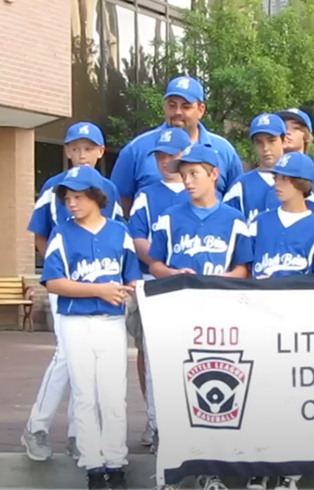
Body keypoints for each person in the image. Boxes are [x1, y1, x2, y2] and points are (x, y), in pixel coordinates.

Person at [148, 144, 254, 490]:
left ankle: (212, 469)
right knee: (176, 390)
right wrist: (176, 274)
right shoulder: (169, 216)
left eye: (194, 173)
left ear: (213, 174)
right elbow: (155, 264)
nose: (187, 180)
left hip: (219, 318)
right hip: (178, 315)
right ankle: (172, 469)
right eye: (183, 174)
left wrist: (219, 281)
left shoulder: (235, 220)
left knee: (216, 392)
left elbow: (243, 268)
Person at [23, 121, 122, 462]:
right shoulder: (54, 187)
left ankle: (79, 434)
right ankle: (37, 427)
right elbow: (40, 233)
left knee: (91, 359)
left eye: (87, 148)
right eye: (74, 147)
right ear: (66, 151)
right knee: (67, 355)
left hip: (103, 284)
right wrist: (57, 268)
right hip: (66, 280)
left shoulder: (106, 188)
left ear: (99, 152)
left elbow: (116, 234)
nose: (81, 154)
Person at [40, 165, 142, 490]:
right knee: (85, 394)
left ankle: (116, 461)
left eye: (79, 197)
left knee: (113, 396)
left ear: (97, 197)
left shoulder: (118, 232)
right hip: (75, 321)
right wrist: (99, 289)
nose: (72, 203)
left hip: (112, 322)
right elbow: (53, 282)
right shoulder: (62, 233)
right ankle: (93, 464)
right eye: (68, 198)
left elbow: (132, 276)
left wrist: (133, 293)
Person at [245, 152, 314, 490]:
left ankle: (290, 472)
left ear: (302, 185)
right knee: (259, 396)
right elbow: (243, 270)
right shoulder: (260, 223)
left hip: (297, 328)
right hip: (261, 322)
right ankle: (259, 464)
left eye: (284, 179)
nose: (278, 184)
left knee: (293, 400)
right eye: (276, 179)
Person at [125, 126, 192, 450]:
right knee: (154, 359)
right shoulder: (148, 194)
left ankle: (190, 423)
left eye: (172, 155)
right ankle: (156, 424)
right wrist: (162, 264)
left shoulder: (199, 191)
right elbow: (137, 237)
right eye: (161, 156)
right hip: (155, 281)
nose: (165, 161)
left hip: (193, 286)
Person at [111, 75, 244, 215]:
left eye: (186, 106)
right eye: (172, 105)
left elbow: (236, 201)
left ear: (201, 109)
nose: (177, 112)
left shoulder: (224, 151)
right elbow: (119, 200)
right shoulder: (137, 149)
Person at [223, 114, 314, 223]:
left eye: (271, 141)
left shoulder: (298, 181)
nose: (265, 148)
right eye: (259, 142)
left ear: (284, 141)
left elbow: (312, 224)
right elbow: (226, 225)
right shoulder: (241, 185)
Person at [275, 107, 314, 190]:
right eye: (284, 128)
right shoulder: (271, 174)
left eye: (295, 128)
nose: (287, 132)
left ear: (306, 134)